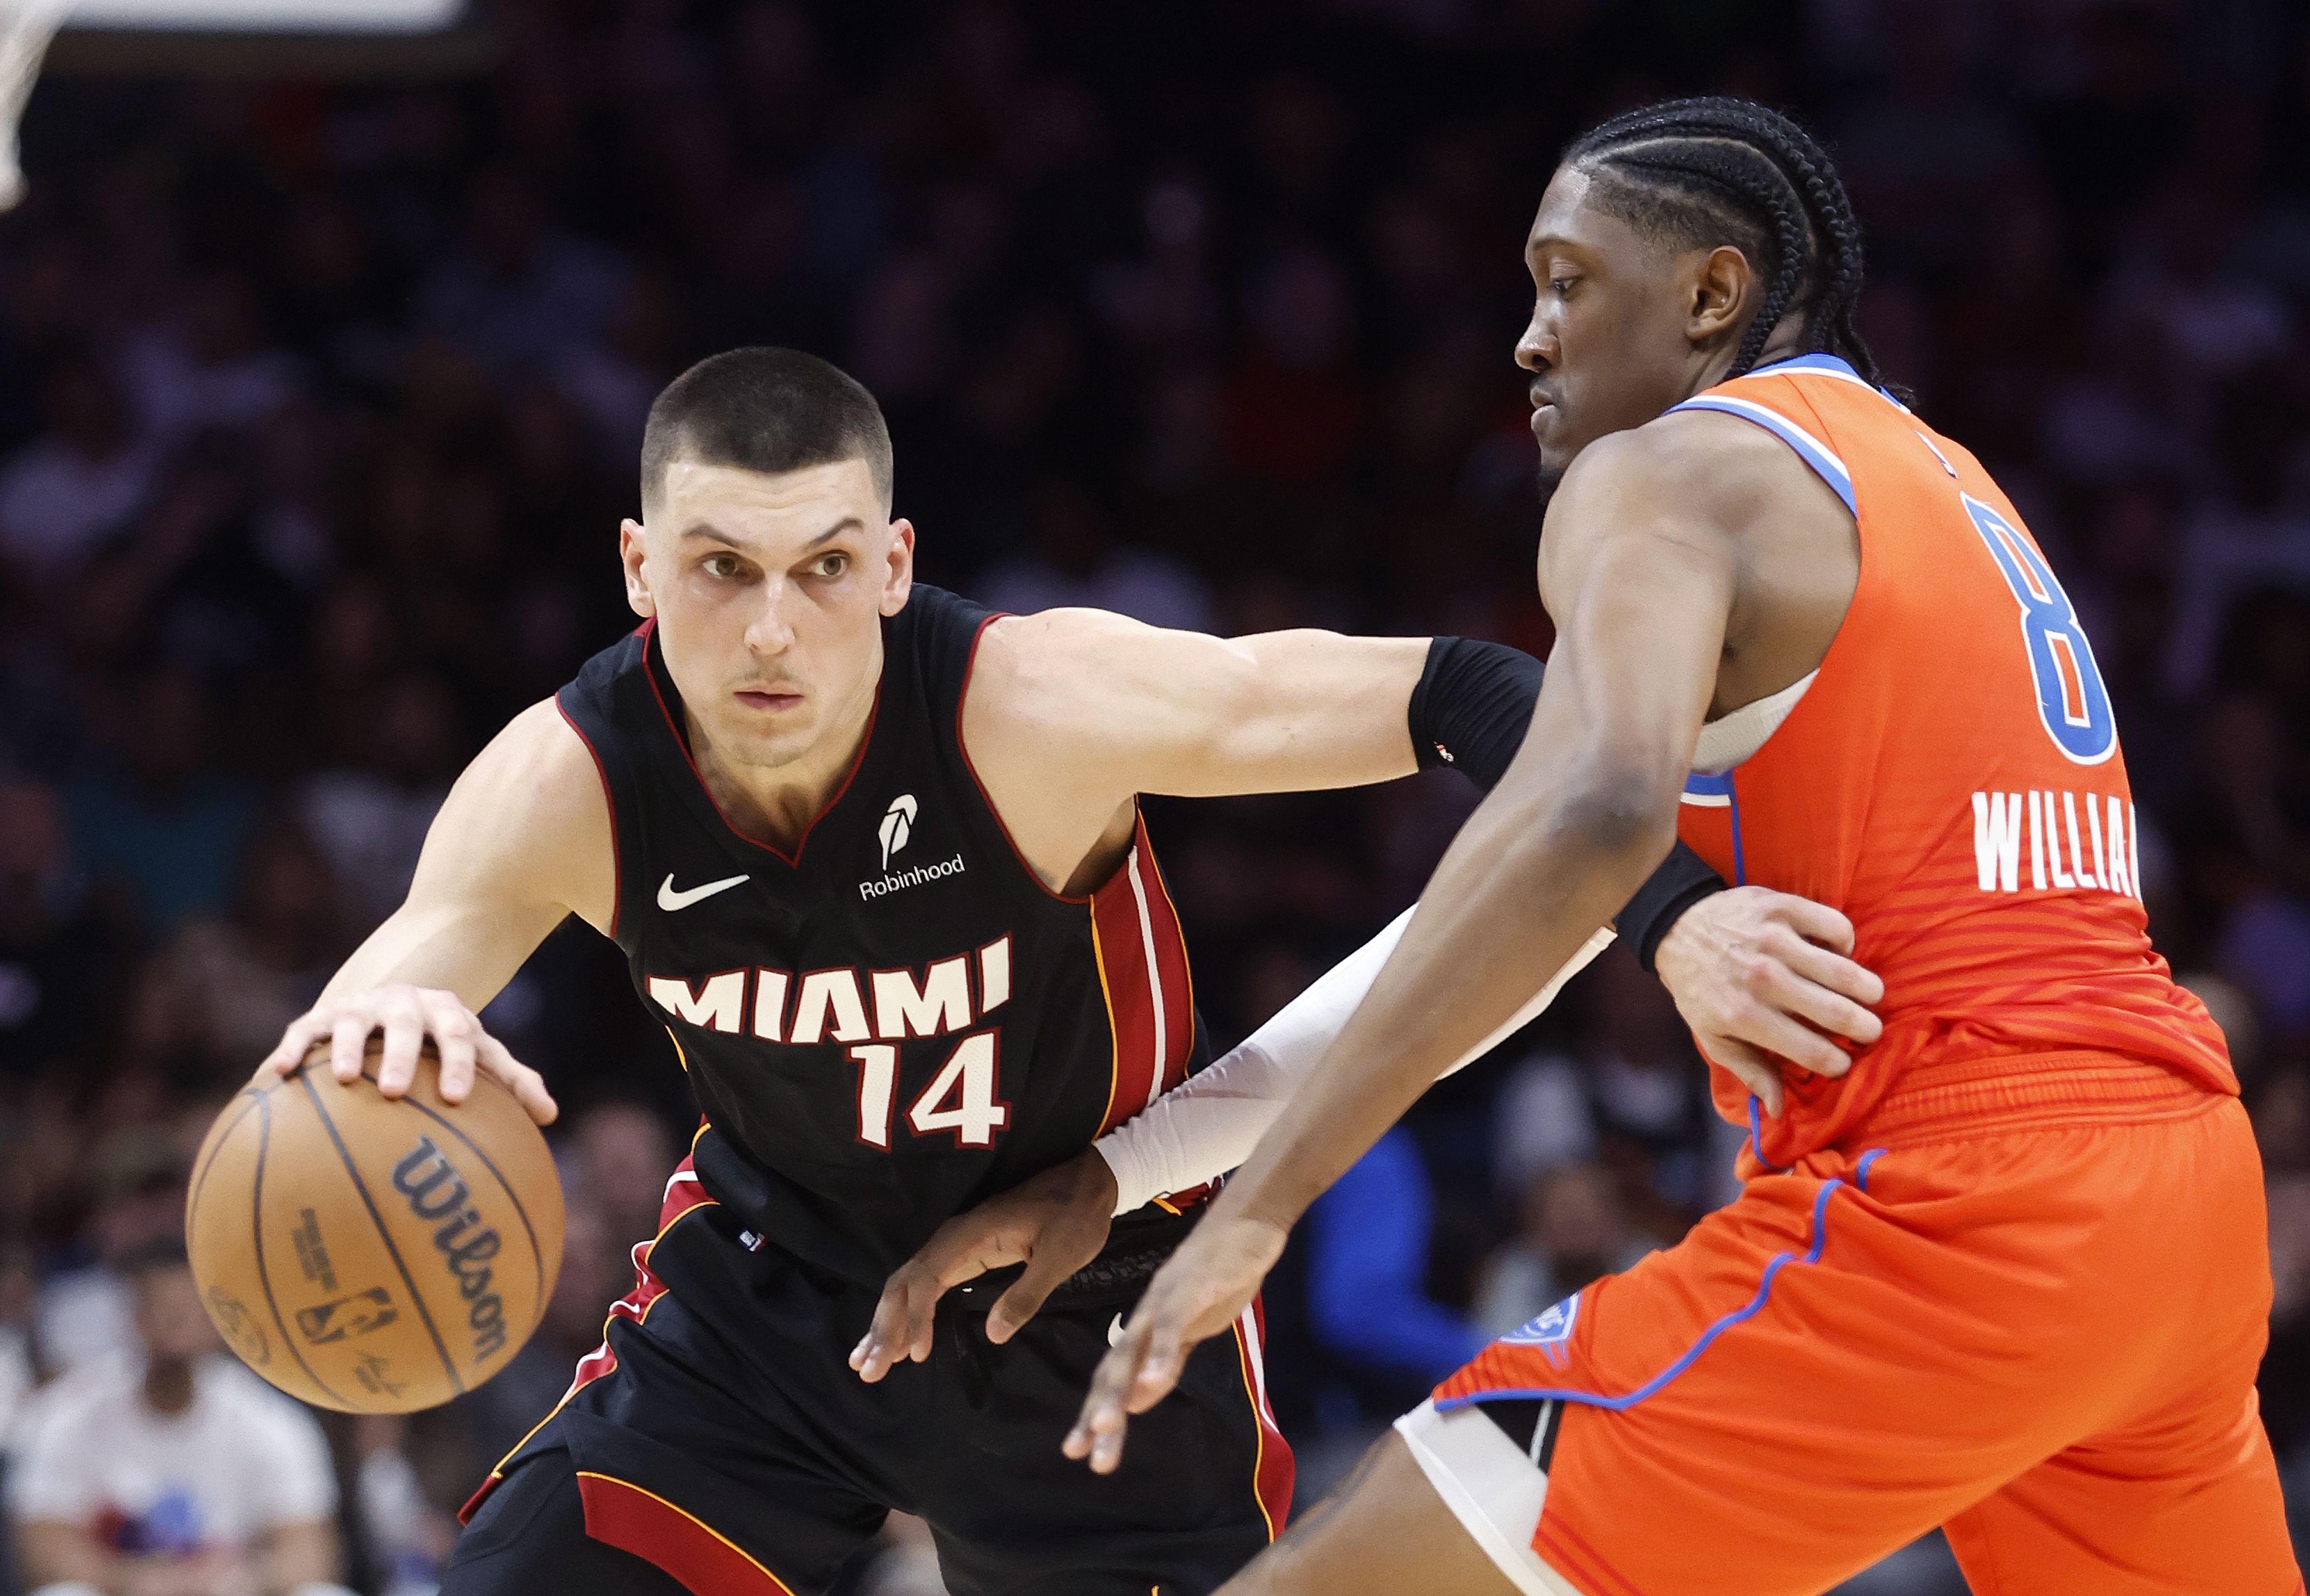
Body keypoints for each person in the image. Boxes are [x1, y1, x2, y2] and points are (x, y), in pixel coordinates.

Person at [256, 346, 1878, 1595]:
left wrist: (1665, 909)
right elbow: (415, 954)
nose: (769, 629)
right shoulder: (568, 779)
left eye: (820, 567)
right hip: (776, 1304)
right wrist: (370, 1016)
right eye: (716, 568)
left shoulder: (1032, 707)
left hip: (1095, 1312)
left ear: (890, 567)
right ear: (635, 568)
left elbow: (1477, 691)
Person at [1012, 97, 2295, 1596]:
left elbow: (1586, 821)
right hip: (2182, 1196)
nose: (1529, 338)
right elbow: (1520, 920)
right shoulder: (1939, 478)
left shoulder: (1665, 473)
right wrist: (1139, 1168)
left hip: (1955, 1202)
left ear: (1707, 293)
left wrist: (1259, 1207)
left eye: (1567, 281)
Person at [6, 1239, 351, 1596]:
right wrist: (132, 1580)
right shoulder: (72, 1412)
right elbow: (43, 1545)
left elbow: (311, 1549)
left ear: (218, 1320)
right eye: (166, 1312)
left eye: (192, 1312)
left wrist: (247, 1578)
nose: (179, 1331)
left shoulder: (266, 1417)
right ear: (134, 1317)